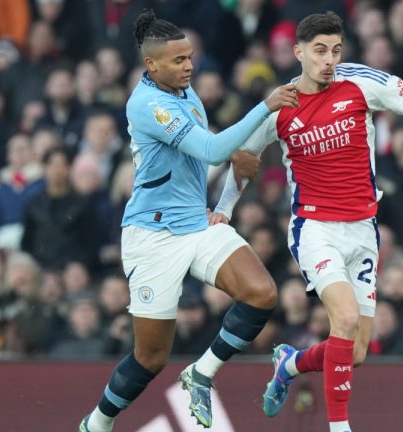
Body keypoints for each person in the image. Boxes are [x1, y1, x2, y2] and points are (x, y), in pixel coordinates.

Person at [212, 12, 403, 432]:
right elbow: (245, 158)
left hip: (363, 228)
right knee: (346, 320)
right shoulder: (278, 106)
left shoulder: (361, 83)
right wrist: (225, 208)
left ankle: (290, 364)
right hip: (315, 228)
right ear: (298, 52)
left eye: (335, 51)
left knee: (355, 351)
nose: (329, 60)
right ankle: (339, 428)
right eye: (319, 51)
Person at [78, 10, 299, 432]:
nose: (189, 67)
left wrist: (233, 156)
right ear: (151, 65)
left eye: (190, 57)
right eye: (178, 60)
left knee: (261, 294)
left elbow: (201, 151)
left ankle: (201, 373)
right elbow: (212, 151)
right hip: (152, 236)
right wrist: (264, 106)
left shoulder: (182, 90)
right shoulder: (148, 105)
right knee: (151, 357)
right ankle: (98, 423)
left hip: (197, 224)